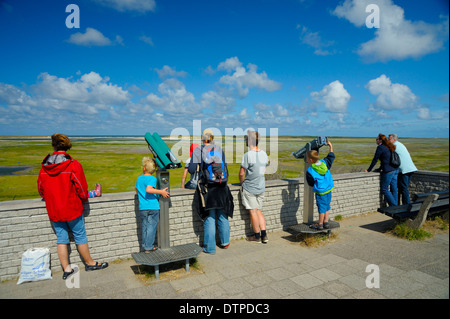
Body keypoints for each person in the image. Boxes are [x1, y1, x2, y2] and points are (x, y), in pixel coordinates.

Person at [37, 133, 108, 280]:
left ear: (54, 145)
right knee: (80, 236)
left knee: (61, 239)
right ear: (67, 145)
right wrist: (86, 196)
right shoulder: (73, 165)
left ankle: (67, 269)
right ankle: (89, 263)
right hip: (72, 208)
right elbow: (82, 190)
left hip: (54, 210)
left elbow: (41, 189)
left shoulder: (44, 167)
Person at [189, 129, 233, 254]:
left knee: (209, 217)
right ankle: (225, 242)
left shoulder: (198, 150)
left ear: (202, 138)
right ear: (212, 138)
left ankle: (210, 247)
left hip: (207, 189)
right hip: (222, 186)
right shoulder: (219, 149)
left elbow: (192, 169)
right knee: (223, 215)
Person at [239, 131, 269, 243]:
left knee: (253, 212)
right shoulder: (264, 154)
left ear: (250, 140)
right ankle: (264, 235)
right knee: (258, 210)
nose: (245, 141)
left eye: (246, 139)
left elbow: (242, 173)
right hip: (261, 187)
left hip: (250, 188)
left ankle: (256, 236)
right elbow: (263, 170)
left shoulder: (247, 155)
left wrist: (242, 184)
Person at [135, 157, 170, 253]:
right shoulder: (152, 179)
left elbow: (137, 190)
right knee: (151, 228)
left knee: (145, 227)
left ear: (144, 168)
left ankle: (145, 246)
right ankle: (148, 247)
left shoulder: (139, 178)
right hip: (153, 207)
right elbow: (149, 189)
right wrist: (161, 192)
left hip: (143, 207)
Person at [305, 141, 335, 230]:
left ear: (310, 160)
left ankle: (320, 224)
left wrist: (317, 185)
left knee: (321, 208)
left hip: (321, 192)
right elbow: (331, 156)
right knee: (327, 206)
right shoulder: (324, 162)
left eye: (306, 158)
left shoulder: (310, 170)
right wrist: (330, 146)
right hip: (328, 189)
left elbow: (310, 183)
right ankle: (326, 222)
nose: (306, 159)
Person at [366, 134, 398, 207]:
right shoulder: (388, 146)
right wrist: (379, 169)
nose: (376, 141)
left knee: (384, 189)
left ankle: (394, 206)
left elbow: (375, 159)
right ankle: (397, 207)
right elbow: (385, 159)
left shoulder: (380, 147)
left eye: (377, 139)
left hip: (388, 171)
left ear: (380, 140)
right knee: (394, 190)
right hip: (394, 170)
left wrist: (369, 170)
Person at [388, 134, 418, 204]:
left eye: (389, 139)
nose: (388, 141)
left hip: (404, 170)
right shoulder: (400, 144)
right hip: (411, 168)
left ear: (394, 139)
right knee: (404, 188)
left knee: (404, 188)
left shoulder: (394, 145)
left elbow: (388, 157)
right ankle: (403, 204)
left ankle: (406, 205)